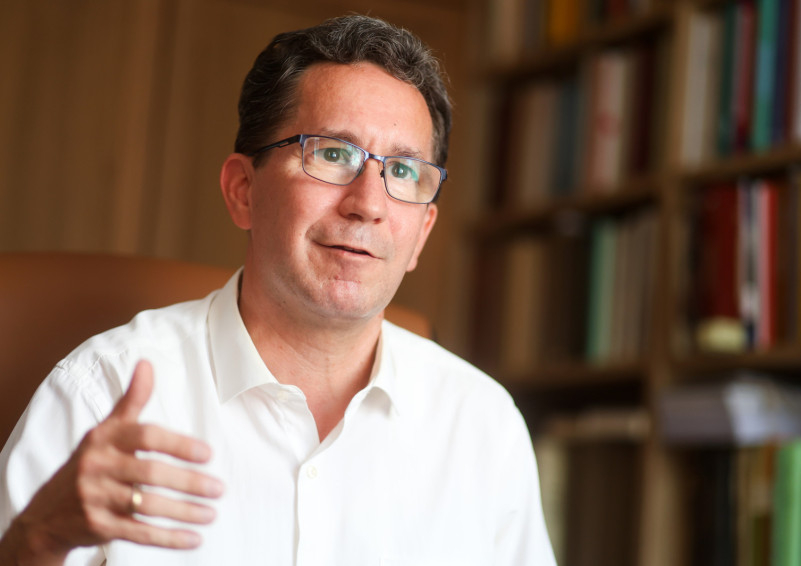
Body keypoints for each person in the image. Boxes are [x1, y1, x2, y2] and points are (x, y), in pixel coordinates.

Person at [0, 15, 556, 566]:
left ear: (422, 234)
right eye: (333, 154)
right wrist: (40, 541)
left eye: (404, 171)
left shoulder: (483, 427)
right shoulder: (100, 392)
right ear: (243, 191)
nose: (369, 204)